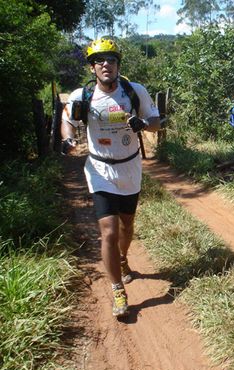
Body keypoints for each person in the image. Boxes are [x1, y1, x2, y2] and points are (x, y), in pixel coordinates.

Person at [61, 38, 160, 317]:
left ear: (118, 65)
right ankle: (118, 289)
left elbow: (155, 121)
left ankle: (123, 258)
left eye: (112, 60)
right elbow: (68, 121)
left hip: (130, 168)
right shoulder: (83, 96)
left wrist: (143, 124)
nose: (106, 65)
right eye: (100, 60)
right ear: (93, 67)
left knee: (128, 227)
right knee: (110, 231)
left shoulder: (134, 91)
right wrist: (68, 141)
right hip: (100, 169)